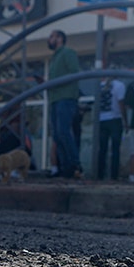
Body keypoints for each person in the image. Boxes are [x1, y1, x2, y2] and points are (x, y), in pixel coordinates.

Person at [46, 29, 82, 178]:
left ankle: (75, 165)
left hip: (65, 98)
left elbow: (74, 73)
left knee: (63, 131)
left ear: (60, 38)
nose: (49, 39)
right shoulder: (54, 58)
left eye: (51, 36)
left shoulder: (67, 53)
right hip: (55, 99)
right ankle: (65, 167)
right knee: (57, 135)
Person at [95, 75, 125, 180]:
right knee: (115, 149)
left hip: (102, 119)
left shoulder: (99, 86)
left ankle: (99, 174)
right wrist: (125, 120)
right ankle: (114, 175)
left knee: (102, 149)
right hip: (115, 119)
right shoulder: (119, 85)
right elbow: (121, 103)